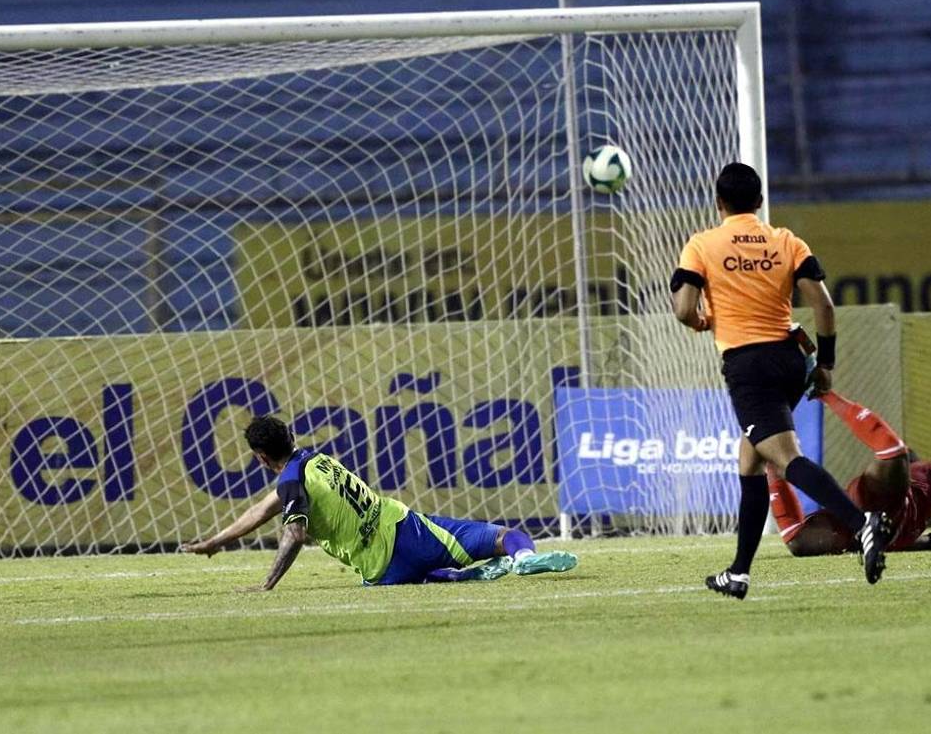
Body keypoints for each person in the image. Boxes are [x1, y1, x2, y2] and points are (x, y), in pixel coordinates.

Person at [671, 162, 893, 599]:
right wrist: (825, 362)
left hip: (747, 366)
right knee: (751, 461)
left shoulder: (702, 245)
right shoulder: (786, 241)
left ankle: (861, 523)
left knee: (787, 458)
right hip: (790, 360)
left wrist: (702, 323)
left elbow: (683, 309)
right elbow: (824, 307)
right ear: (758, 203)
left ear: (719, 203)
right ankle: (738, 572)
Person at [182, 416, 577, 589]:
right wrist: (217, 542)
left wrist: (266, 585)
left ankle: (452, 577)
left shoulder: (289, 482)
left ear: (260, 458)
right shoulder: (314, 461)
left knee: (419, 575)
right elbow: (263, 509)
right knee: (507, 535)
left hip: (382, 571)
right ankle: (522, 560)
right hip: (409, 532)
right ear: (291, 437)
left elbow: (294, 533)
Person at [768, 390, 931, 557]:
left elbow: (895, 541)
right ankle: (825, 396)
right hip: (869, 504)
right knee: (799, 543)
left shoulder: (923, 486)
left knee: (799, 543)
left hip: (866, 514)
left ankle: (774, 466)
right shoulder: (927, 475)